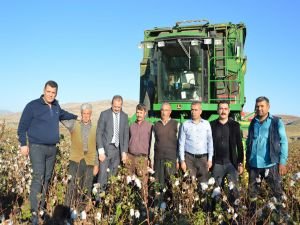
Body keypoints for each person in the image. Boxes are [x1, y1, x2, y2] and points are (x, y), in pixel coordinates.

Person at [17, 80, 77, 224]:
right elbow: (22, 126)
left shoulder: (56, 106)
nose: (51, 95)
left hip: (52, 148)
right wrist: (23, 144)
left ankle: (41, 211)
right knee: (38, 177)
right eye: (48, 92)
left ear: (56, 93)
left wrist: (77, 117)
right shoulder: (32, 106)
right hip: (37, 147)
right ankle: (34, 215)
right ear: (44, 91)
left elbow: (63, 114)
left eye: (53, 93)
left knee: (47, 179)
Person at [246, 96, 288, 210]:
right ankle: (253, 215)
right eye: (257, 106)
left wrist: (282, 162)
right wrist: (247, 160)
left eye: (262, 106)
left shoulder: (276, 122)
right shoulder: (253, 123)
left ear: (268, 107)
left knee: (277, 193)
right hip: (254, 165)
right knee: (252, 194)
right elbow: (248, 142)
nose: (259, 109)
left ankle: (280, 216)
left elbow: (283, 142)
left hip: (270, 164)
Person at [62, 103, 98, 213]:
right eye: (84, 113)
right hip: (75, 160)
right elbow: (61, 117)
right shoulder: (74, 124)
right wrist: (73, 116)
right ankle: (66, 210)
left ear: (90, 114)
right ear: (81, 114)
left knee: (86, 187)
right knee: (72, 185)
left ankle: (80, 211)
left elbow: (98, 147)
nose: (86, 116)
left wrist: (96, 164)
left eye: (88, 113)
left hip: (90, 160)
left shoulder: (96, 128)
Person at [210, 101, 244, 206]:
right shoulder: (212, 125)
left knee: (234, 191)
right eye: (221, 108)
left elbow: (240, 146)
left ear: (229, 111)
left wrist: (240, 163)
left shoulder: (235, 125)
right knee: (216, 192)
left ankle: (234, 215)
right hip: (217, 164)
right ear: (217, 110)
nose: (223, 111)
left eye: (225, 109)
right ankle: (216, 215)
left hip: (231, 164)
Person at [96, 95, 129, 191]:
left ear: (121, 105)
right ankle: (99, 201)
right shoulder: (104, 114)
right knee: (102, 176)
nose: (117, 109)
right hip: (106, 150)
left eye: (119, 107)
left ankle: (109, 198)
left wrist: (124, 152)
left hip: (118, 151)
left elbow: (125, 135)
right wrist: (101, 151)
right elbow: (99, 133)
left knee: (113, 176)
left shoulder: (124, 116)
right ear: (111, 104)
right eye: (115, 107)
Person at [179, 101, 213, 183]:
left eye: (196, 110)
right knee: (190, 184)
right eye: (192, 110)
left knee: (204, 184)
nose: (193, 112)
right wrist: (182, 161)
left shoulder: (206, 124)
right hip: (189, 159)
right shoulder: (185, 124)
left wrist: (210, 159)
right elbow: (181, 143)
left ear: (200, 111)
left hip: (203, 159)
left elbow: (210, 142)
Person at [125, 103, 152, 204]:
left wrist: (149, 158)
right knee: (128, 181)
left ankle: (143, 205)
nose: (139, 114)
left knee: (143, 183)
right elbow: (127, 141)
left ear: (145, 113)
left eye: (141, 112)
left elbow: (151, 144)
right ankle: (129, 203)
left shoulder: (149, 127)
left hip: (142, 158)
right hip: (130, 157)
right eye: (137, 112)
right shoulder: (131, 126)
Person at [152, 102, 179, 200]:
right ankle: (158, 208)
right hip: (158, 159)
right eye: (162, 110)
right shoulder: (156, 125)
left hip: (171, 159)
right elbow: (152, 144)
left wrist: (178, 160)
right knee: (159, 184)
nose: (164, 112)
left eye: (166, 110)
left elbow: (179, 144)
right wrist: (151, 159)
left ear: (170, 112)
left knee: (171, 184)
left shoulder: (176, 124)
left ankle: (171, 207)